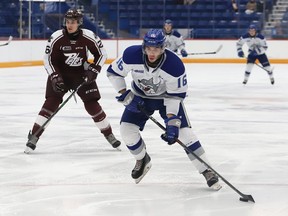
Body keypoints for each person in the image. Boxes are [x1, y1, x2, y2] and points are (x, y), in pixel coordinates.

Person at [106, 29, 221, 190]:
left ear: (163, 48)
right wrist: (125, 94)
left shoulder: (174, 65)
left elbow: (175, 97)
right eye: (149, 49)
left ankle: (206, 170)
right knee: (126, 130)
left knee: (185, 134)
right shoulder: (131, 54)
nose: (151, 53)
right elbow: (113, 73)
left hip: (166, 98)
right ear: (144, 47)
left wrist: (172, 121)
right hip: (140, 97)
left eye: (156, 49)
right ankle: (142, 159)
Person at [24, 8, 121, 153]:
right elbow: (48, 59)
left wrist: (93, 70)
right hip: (60, 74)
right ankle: (34, 136)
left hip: (80, 75)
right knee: (50, 103)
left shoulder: (89, 36)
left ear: (79, 23)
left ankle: (109, 134)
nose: (70, 25)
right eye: (68, 21)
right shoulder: (56, 37)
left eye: (73, 22)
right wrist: (55, 77)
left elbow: (101, 54)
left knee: (92, 104)